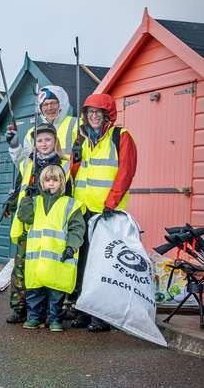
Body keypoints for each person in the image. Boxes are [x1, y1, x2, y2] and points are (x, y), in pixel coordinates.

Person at [69, 93, 137, 332]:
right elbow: (76, 173)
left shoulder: (121, 136)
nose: (94, 116)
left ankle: (101, 316)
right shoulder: (83, 139)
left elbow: (126, 172)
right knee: (84, 262)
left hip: (107, 212)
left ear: (108, 115)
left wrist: (111, 202)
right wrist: (74, 158)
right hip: (84, 209)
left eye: (98, 112)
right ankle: (83, 310)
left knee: (103, 264)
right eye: (90, 112)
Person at [5, 123, 70, 323]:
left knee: (48, 267)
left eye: (47, 140)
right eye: (39, 140)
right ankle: (20, 307)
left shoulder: (64, 164)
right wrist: (13, 200)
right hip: (29, 224)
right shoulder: (29, 163)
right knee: (22, 266)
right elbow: (19, 177)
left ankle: (49, 311)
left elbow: (66, 192)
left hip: (50, 226)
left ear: (55, 141)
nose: (43, 144)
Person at [17, 165, 85, 332]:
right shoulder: (35, 201)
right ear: (42, 183)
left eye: (55, 180)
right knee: (35, 291)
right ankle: (34, 318)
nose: (51, 184)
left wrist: (72, 246)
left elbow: (77, 228)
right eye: (47, 180)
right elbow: (24, 216)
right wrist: (26, 198)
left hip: (58, 258)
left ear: (62, 182)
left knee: (56, 293)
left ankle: (54, 318)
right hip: (36, 259)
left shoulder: (70, 204)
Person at [5, 86, 78, 165]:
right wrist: (15, 147)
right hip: (41, 177)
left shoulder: (76, 124)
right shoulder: (32, 133)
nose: (49, 108)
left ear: (61, 105)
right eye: (45, 105)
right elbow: (25, 167)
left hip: (67, 176)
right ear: (40, 108)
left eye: (53, 103)